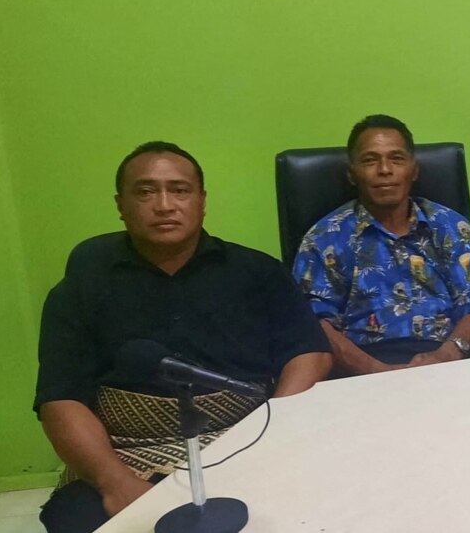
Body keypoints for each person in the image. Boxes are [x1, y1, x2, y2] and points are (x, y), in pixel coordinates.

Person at [34, 141, 333, 533]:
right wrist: (115, 482)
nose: (163, 204)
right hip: (126, 453)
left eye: (179, 190)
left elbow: (309, 352)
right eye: (145, 191)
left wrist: (274, 431)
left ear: (201, 200)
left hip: (244, 439)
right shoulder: (80, 289)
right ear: (121, 204)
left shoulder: (256, 272)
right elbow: (60, 399)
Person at [293, 114, 470, 376]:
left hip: (444, 362)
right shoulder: (324, 238)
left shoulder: (451, 228)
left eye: (396, 159)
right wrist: (379, 372)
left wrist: (447, 355)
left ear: (414, 170)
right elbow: (317, 324)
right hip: (361, 370)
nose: (384, 170)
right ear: (351, 174)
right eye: (370, 160)